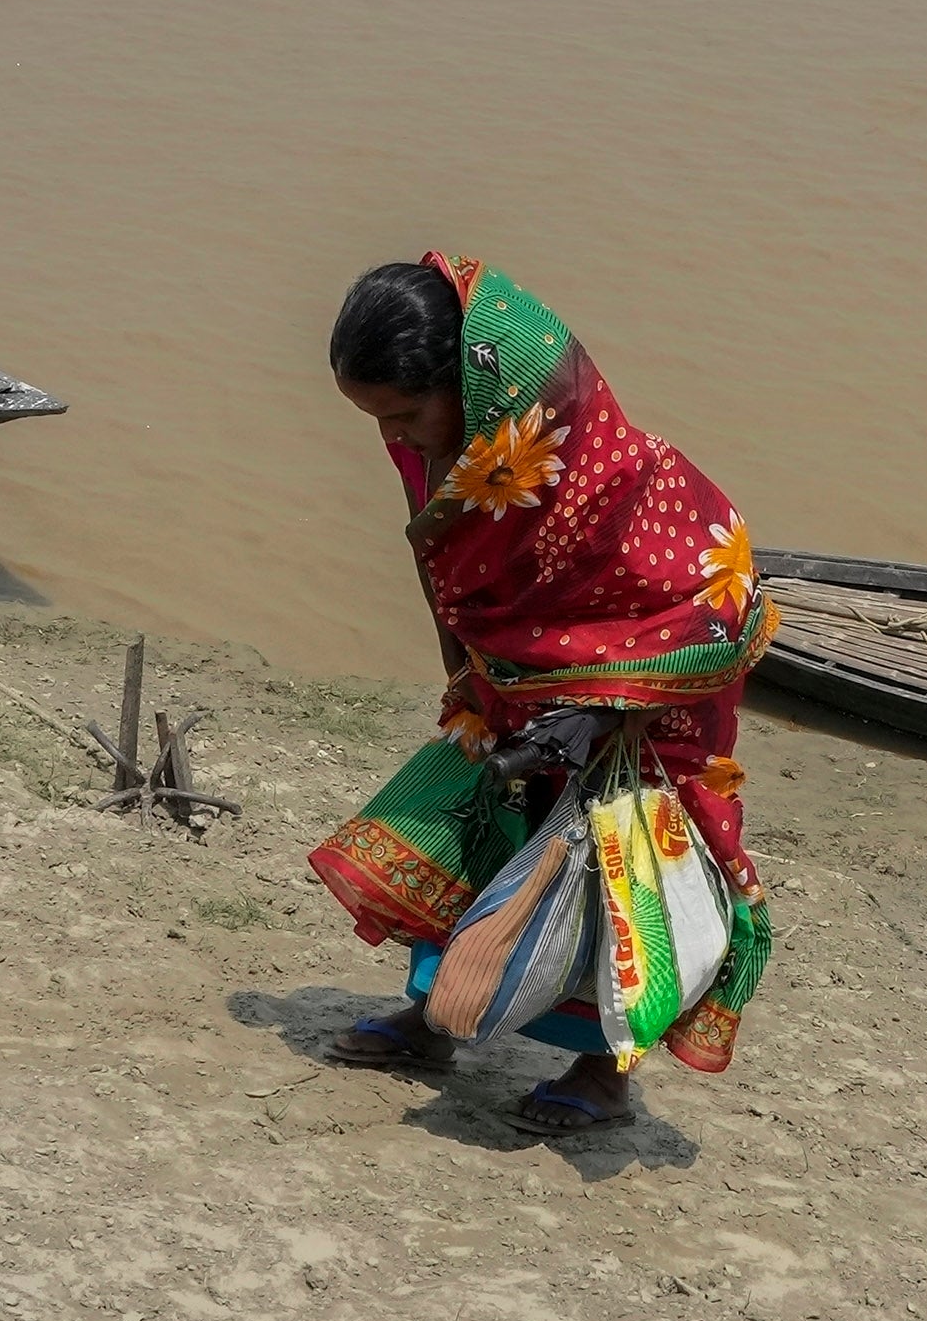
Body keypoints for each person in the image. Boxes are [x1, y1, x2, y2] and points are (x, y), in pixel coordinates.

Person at [303, 255, 775, 1135]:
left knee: (627, 866)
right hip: (520, 691)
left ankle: (604, 1071)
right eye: (377, 420)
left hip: (645, 714)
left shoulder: (639, 498)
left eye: (405, 414)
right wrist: (484, 680)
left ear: (480, 392)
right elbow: (450, 570)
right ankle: (439, 1013)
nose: (395, 440)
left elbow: (717, 610)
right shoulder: (463, 456)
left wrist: (595, 711)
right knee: (491, 825)